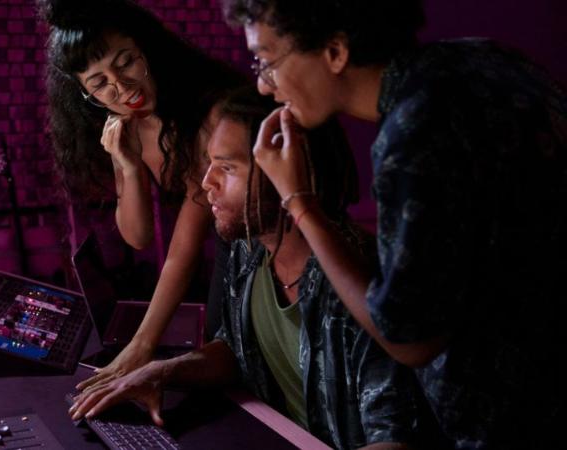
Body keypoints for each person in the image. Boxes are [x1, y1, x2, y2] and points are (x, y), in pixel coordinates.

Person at [222, 0, 567, 447]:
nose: (264, 86)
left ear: (335, 51)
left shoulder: (413, 132)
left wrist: (300, 203)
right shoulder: (484, 59)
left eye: (268, 62)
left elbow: (409, 339)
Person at [69, 87, 442, 450]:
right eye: (209, 163)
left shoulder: (357, 280)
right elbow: (238, 352)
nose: (207, 183)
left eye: (227, 167)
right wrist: (161, 372)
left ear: (288, 172)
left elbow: (395, 437)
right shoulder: (248, 248)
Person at [38, 0, 245, 384]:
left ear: (147, 48)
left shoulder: (209, 111)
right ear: (86, 95)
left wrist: (142, 343)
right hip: (227, 245)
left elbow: (186, 243)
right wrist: (129, 166)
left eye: (126, 62)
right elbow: (138, 235)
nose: (120, 87)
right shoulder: (125, 124)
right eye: (99, 83)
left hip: (267, 250)